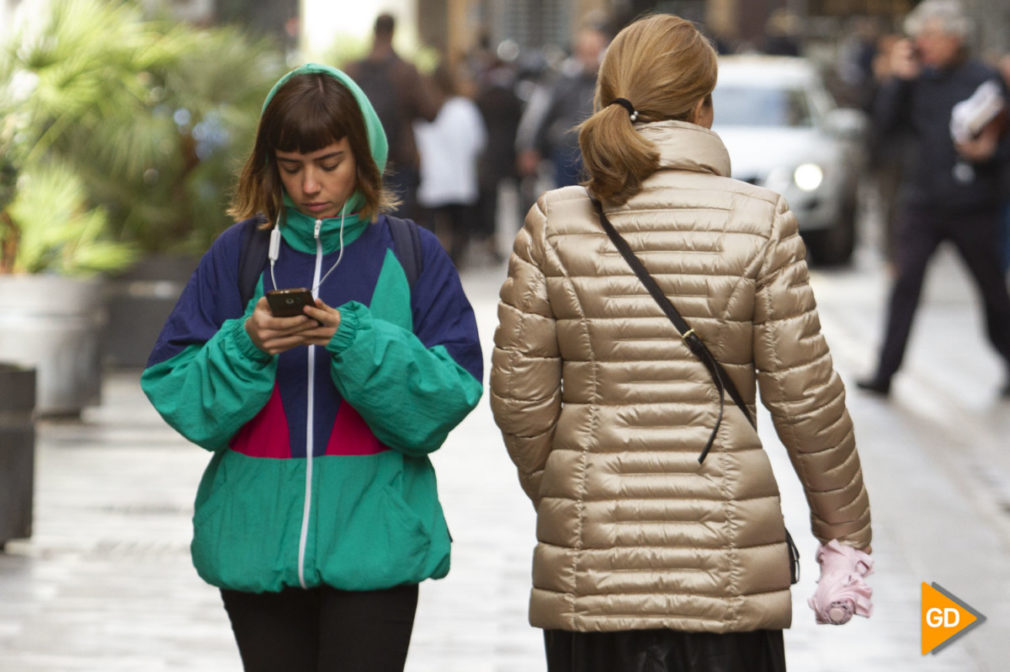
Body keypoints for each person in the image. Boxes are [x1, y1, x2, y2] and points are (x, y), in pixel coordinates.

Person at [490, 14, 872, 672]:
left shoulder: (554, 221)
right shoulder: (759, 219)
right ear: (705, 105)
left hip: (594, 565)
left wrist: (568, 493)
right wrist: (845, 537)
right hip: (723, 559)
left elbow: (518, 400)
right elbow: (806, 399)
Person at [140, 63, 483, 672]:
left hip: (376, 541)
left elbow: (447, 396)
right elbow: (177, 391)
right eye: (291, 166)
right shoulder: (238, 254)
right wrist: (245, 344)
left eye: (329, 162)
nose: (309, 185)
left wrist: (352, 340)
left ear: (364, 156)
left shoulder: (412, 253)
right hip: (253, 542)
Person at [856, 0, 1010, 398]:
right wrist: (900, 80)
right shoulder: (915, 79)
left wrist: (990, 153)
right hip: (923, 202)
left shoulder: (985, 79)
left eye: (930, 36)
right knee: (905, 284)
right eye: (920, 36)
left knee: (992, 290)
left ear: (954, 38)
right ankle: (885, 371)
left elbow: (1003, 139)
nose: (923, 44)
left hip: (973, 204)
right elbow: (883, 128)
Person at [344, 13, 441, 221]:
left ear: (374, 31)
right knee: (396, 224)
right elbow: (431, 112)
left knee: (361, 219)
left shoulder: (352, 70)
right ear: (393, 32)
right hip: (398, 159)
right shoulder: (405, 71)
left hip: (360, 157)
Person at [515, 24, 609, 190]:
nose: (591, 56)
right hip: (567, 153)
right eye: (587, 50)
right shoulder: (561, 80)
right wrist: (529, 147)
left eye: (595, 50)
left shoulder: (608, 79)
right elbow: (538, 114)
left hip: (600, 154)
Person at [413, 61, 487, 267]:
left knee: (434, 229)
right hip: (460, 180)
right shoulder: (465, 109)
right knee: (457, 228)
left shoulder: (425, 112)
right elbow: (478, 143)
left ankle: (436, 264)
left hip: (432, 181)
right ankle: (454, 262)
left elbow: (417, 147)